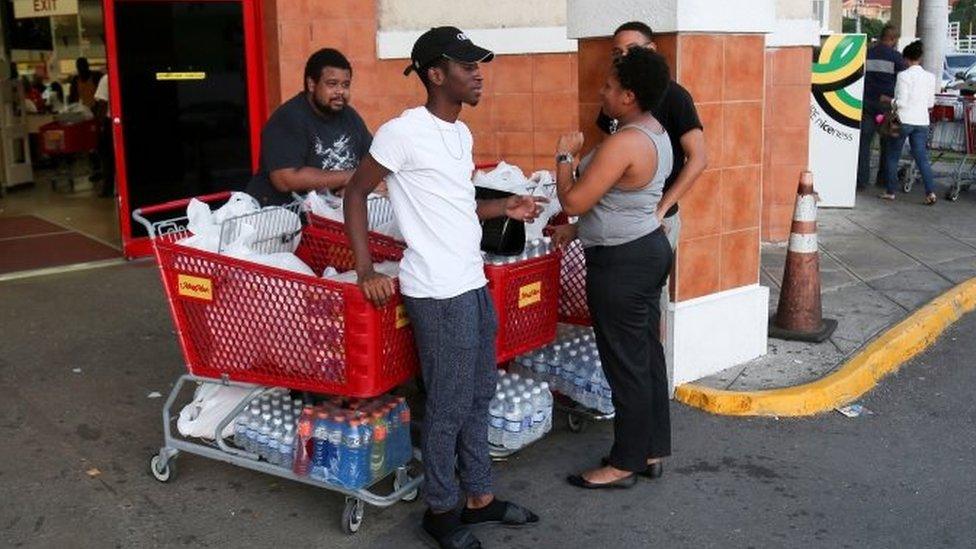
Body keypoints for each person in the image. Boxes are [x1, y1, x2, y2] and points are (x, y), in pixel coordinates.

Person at [343, 26, 543, 549]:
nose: (478, 74)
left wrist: (505, 207)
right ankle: (440, 508)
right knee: (450, 404)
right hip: (436, 290)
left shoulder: (459, 135)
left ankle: (478, 498)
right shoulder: (401, 132)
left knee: (480, 393)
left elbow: (458, 206)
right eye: (467, 65)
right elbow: (356, 194)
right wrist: (367, 271)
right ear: (436, 74)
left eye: (479, 64)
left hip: (471, 281)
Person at [552, 20, 706, 392]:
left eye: (630, 52)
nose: (621, 60)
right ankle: (649, 437)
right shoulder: (629, 119)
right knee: (638, 345)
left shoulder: (671, 101)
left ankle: (642, 430)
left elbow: (698, 159)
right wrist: (577, 228)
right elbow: (611, 183)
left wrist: (660, 208)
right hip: (630, 227)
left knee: (639, 345)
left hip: (645, 231)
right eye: (616, 53)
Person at [556, 47, 674, 490]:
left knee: (625, 362)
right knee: (645, 356)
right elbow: (616, 200)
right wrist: (579, 230)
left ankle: (623, 462)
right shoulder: (652, 130)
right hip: (645, 248)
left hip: (623, 262)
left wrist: (565, 157)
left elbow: (573, 200)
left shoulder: (626, 141)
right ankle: (651, 448)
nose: (601, 92)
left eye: (608, 86)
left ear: (628, 95)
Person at [245, 48, 371, 206]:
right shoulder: (289, 118)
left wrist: (359, 186)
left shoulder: (350, 117)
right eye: (332, 84)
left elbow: (373, 160)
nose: (341, 91)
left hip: (333, 216)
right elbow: (285, 179)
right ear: (311, 84)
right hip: (286, 220)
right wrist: (348, 177)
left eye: (345, 85)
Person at [880, 40, 937, 204]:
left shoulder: (903, 75)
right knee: (921, 158)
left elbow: (902, 102)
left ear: (906, 59)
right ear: (920, 58)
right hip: (922, 121)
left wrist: (888, 100)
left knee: (892, 156)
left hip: (903, 121)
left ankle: (890, 191)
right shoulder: (930, 77)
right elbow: (930, 104)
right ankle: (930, 192)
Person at [857, 25, 907, 190]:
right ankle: (883, 179)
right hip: (887, 107)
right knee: (887, 144)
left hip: (867, 104)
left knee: (864, 144)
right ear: (893, 39)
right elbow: (902, 83)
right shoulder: (897, 58)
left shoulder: (866, 54)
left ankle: (861, 180)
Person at [93, 73, 114, 198]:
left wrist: (99, 125)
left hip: (110, 122)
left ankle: (108, 188)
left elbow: (102, 103)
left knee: (107, 157)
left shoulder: (106, 78)